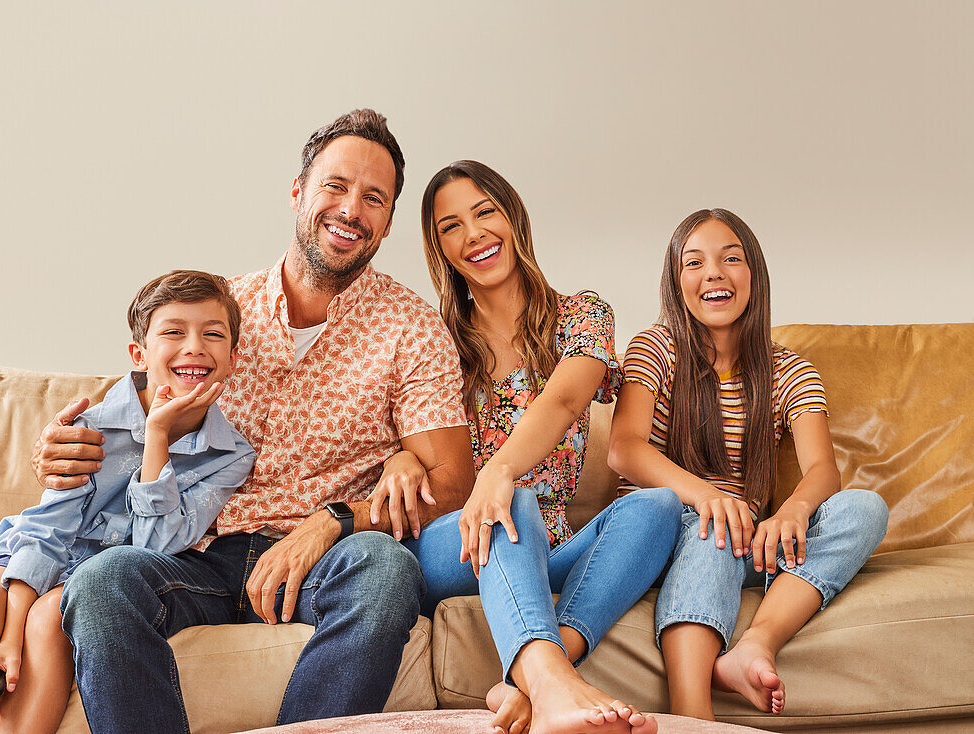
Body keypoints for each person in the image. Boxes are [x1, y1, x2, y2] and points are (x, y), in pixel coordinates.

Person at [31, 110, 475, 732]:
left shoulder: (412, 328)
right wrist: (60, 449)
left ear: (388, 222)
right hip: (197, 552)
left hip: (325, 562)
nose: (351, 209)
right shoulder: (215, 313)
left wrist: (335, 521)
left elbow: (452, 481)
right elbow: (129, 419)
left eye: (373, 198)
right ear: (298, 193)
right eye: (335, 186)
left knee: (387, 568)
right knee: (104, 579)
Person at [372, 160, 680, 734]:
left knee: (660, 507)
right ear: (439, 249)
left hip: (549, 545)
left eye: (485, 212)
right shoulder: (434, 340)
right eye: (450, 226)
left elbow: (564, 402)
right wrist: (404, 456)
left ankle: (539, 676)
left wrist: (499, 470)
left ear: (514, 218)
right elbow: (410, 437)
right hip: (455, 544)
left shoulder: (583, 315)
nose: (473, 235)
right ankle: (553, 684)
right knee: (507, 503)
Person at [0, 270, 256, 733]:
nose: (195, 346)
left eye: (212, 334)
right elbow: (47, 531)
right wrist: (8, 638)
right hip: (41, 551)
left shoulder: (231, 456)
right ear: (139, 354)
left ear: (233, 357)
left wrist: (156, 436)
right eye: (174, 332)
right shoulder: (90, 425)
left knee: (48, 623)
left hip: (102, 574)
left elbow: (153, 548)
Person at [607, 208, 889, 720]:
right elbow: (624, 448)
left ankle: (755, 645)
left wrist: (792, 513)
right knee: (714, 527)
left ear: (753, 275)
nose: (713, 272)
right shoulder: (656, 347)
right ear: (676, 283)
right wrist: (710, 497)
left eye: (730, 258)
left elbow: (823, 470)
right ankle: (692, 717)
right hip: (667, 533)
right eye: (694, 263)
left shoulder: (789, 369)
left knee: (864, 508)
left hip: (748, 539)